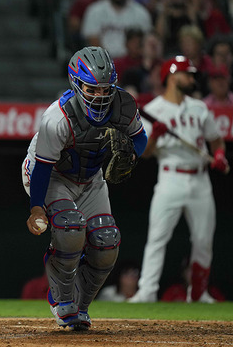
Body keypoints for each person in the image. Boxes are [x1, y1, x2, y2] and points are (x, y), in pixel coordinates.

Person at [21, 46, 147, 330]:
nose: (101, 96)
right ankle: (62, 299)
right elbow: (43, 167)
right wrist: (36, 207)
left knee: (107, 242)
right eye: (92, 89)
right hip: (53, 175)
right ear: (76, 84)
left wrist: (132, 153)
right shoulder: (58, 117)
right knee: (69, 228)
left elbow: (140, 138)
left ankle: (80, 305)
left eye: (106, 89)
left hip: (91, 178)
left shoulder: (125, 105)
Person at [127, 56, 229, 303]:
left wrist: (218, 155)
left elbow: (216, 140)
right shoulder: (153, 111)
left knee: (203, 240)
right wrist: (155, 138)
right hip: (170, 177)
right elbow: (145, 153)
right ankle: (147, 291)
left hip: (200, 179)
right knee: (157, 237)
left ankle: (199, 293)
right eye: (187, 74)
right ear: (172, 77)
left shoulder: (199, 107)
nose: (192, 79)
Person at [80, 0, 152, 58]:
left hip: (132, 60)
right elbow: (93, 40)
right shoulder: (95, 10)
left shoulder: (140, 12)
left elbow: (146, 40)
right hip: (102, 61)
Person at [160, 257, 226, 303]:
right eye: (190, 269)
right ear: (183, 273)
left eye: (197, 270)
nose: (194, 273)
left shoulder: (213, 292)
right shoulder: (173, 291)